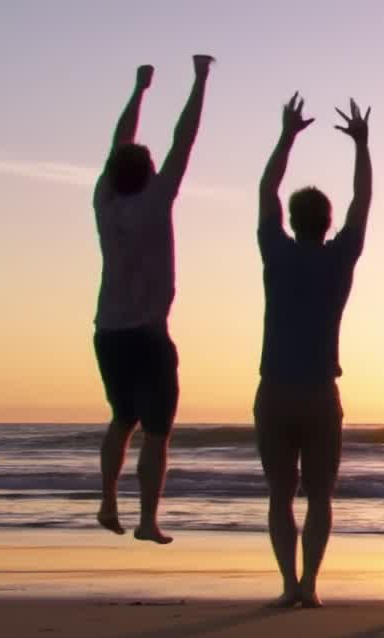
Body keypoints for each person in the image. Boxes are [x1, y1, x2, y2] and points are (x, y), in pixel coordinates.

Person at [255, 93, 372, 608]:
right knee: (321, 495)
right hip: (320, 392)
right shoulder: (339, 258)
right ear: (327, 222)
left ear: (294, 220)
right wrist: (361, 146)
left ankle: (289, 584)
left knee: (281, 494)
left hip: (276, 390)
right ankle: (309, 586)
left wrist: (286, 136)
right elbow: (362, 201)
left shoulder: (276, 252)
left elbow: (266, 190)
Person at [93, 55, 214, 544]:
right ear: (148, 173)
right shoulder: (156, 198)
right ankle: (146, 520)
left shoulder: (104, 203)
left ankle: (107, 503)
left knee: (122, 418)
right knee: (158, 430)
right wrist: (200, 80)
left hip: (108, 332)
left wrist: (139, 89)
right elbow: (184, 140)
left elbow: (118, 144)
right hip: (147, 333)